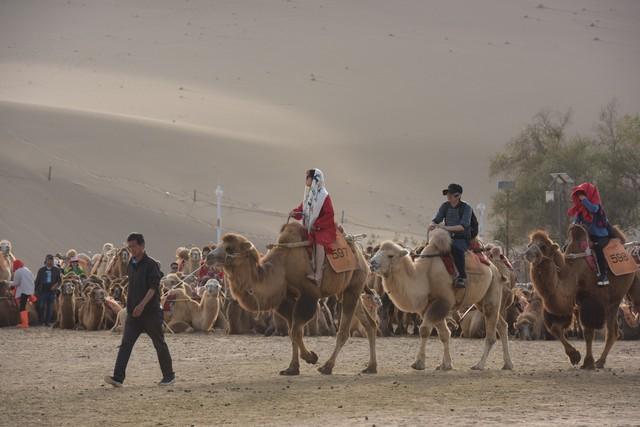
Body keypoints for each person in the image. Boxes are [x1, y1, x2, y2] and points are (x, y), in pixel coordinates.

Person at [105, 233, 175, 387]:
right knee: (126, 344)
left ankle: (169, 376)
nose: (131, 250)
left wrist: (142, 305)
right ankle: (118, 377)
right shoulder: (131, 263)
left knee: (159, 343)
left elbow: (153, 287)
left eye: (134, 246)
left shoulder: (151, 265)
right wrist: (131, 306)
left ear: (142, 246)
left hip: (150, 313)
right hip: (133, 314)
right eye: (129, 247)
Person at [290, 168, 337, 286]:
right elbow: (302, 210)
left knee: (319, 244)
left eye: (308, 178)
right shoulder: (309, 194)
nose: (306, 180)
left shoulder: (324, 196)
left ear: (315, 179)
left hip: (323, 228)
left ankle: (318, 274)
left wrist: (318, 225)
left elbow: (329, 214)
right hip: (310, 227)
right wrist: (294, 213)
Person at [429, 183, 473, 289]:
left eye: (450, 194)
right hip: (446, 237)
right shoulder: (445, 206)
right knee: (429, 248)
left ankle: (462, 277)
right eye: (447, 194)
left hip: (461, 238)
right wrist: (432, 224)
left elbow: (463, 226)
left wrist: (444, 228)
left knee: (456, 249)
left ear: (458, 196)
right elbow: (437, 219)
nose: (448, 196)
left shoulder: (466, 208)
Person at [568, 182, 612, 286]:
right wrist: (573, 225)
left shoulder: (596, 206)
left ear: (589, 194)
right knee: (569, 248)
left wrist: (584, 200)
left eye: (583, 193)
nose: (580, 196)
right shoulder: (581, 209)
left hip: (601, 236)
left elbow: (593, 209)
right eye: (579, 194)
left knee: (598, 248)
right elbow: (576, 221)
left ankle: (603, 275)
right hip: (588, 237)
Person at [34, 254, 62, 326]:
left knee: (50, 307)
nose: (50, 262)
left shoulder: (56, 270)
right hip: (43, 290)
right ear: (46, 261)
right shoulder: (41, 270)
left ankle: (47, 322)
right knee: (41, 306)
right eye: (48, 260)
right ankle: (41, 321)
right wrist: (35, 290)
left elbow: (59, 281)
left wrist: (55, 286)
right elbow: (37, 281)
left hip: (52, 291)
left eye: (51, 260)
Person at [9, 259, 35, 329]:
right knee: (25, 306)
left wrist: (8, 282)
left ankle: (25, 324)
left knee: (22, 307)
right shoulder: (27, 269)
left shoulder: (18, 271)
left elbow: (16, 283)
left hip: (23, 291)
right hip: (30, 290)